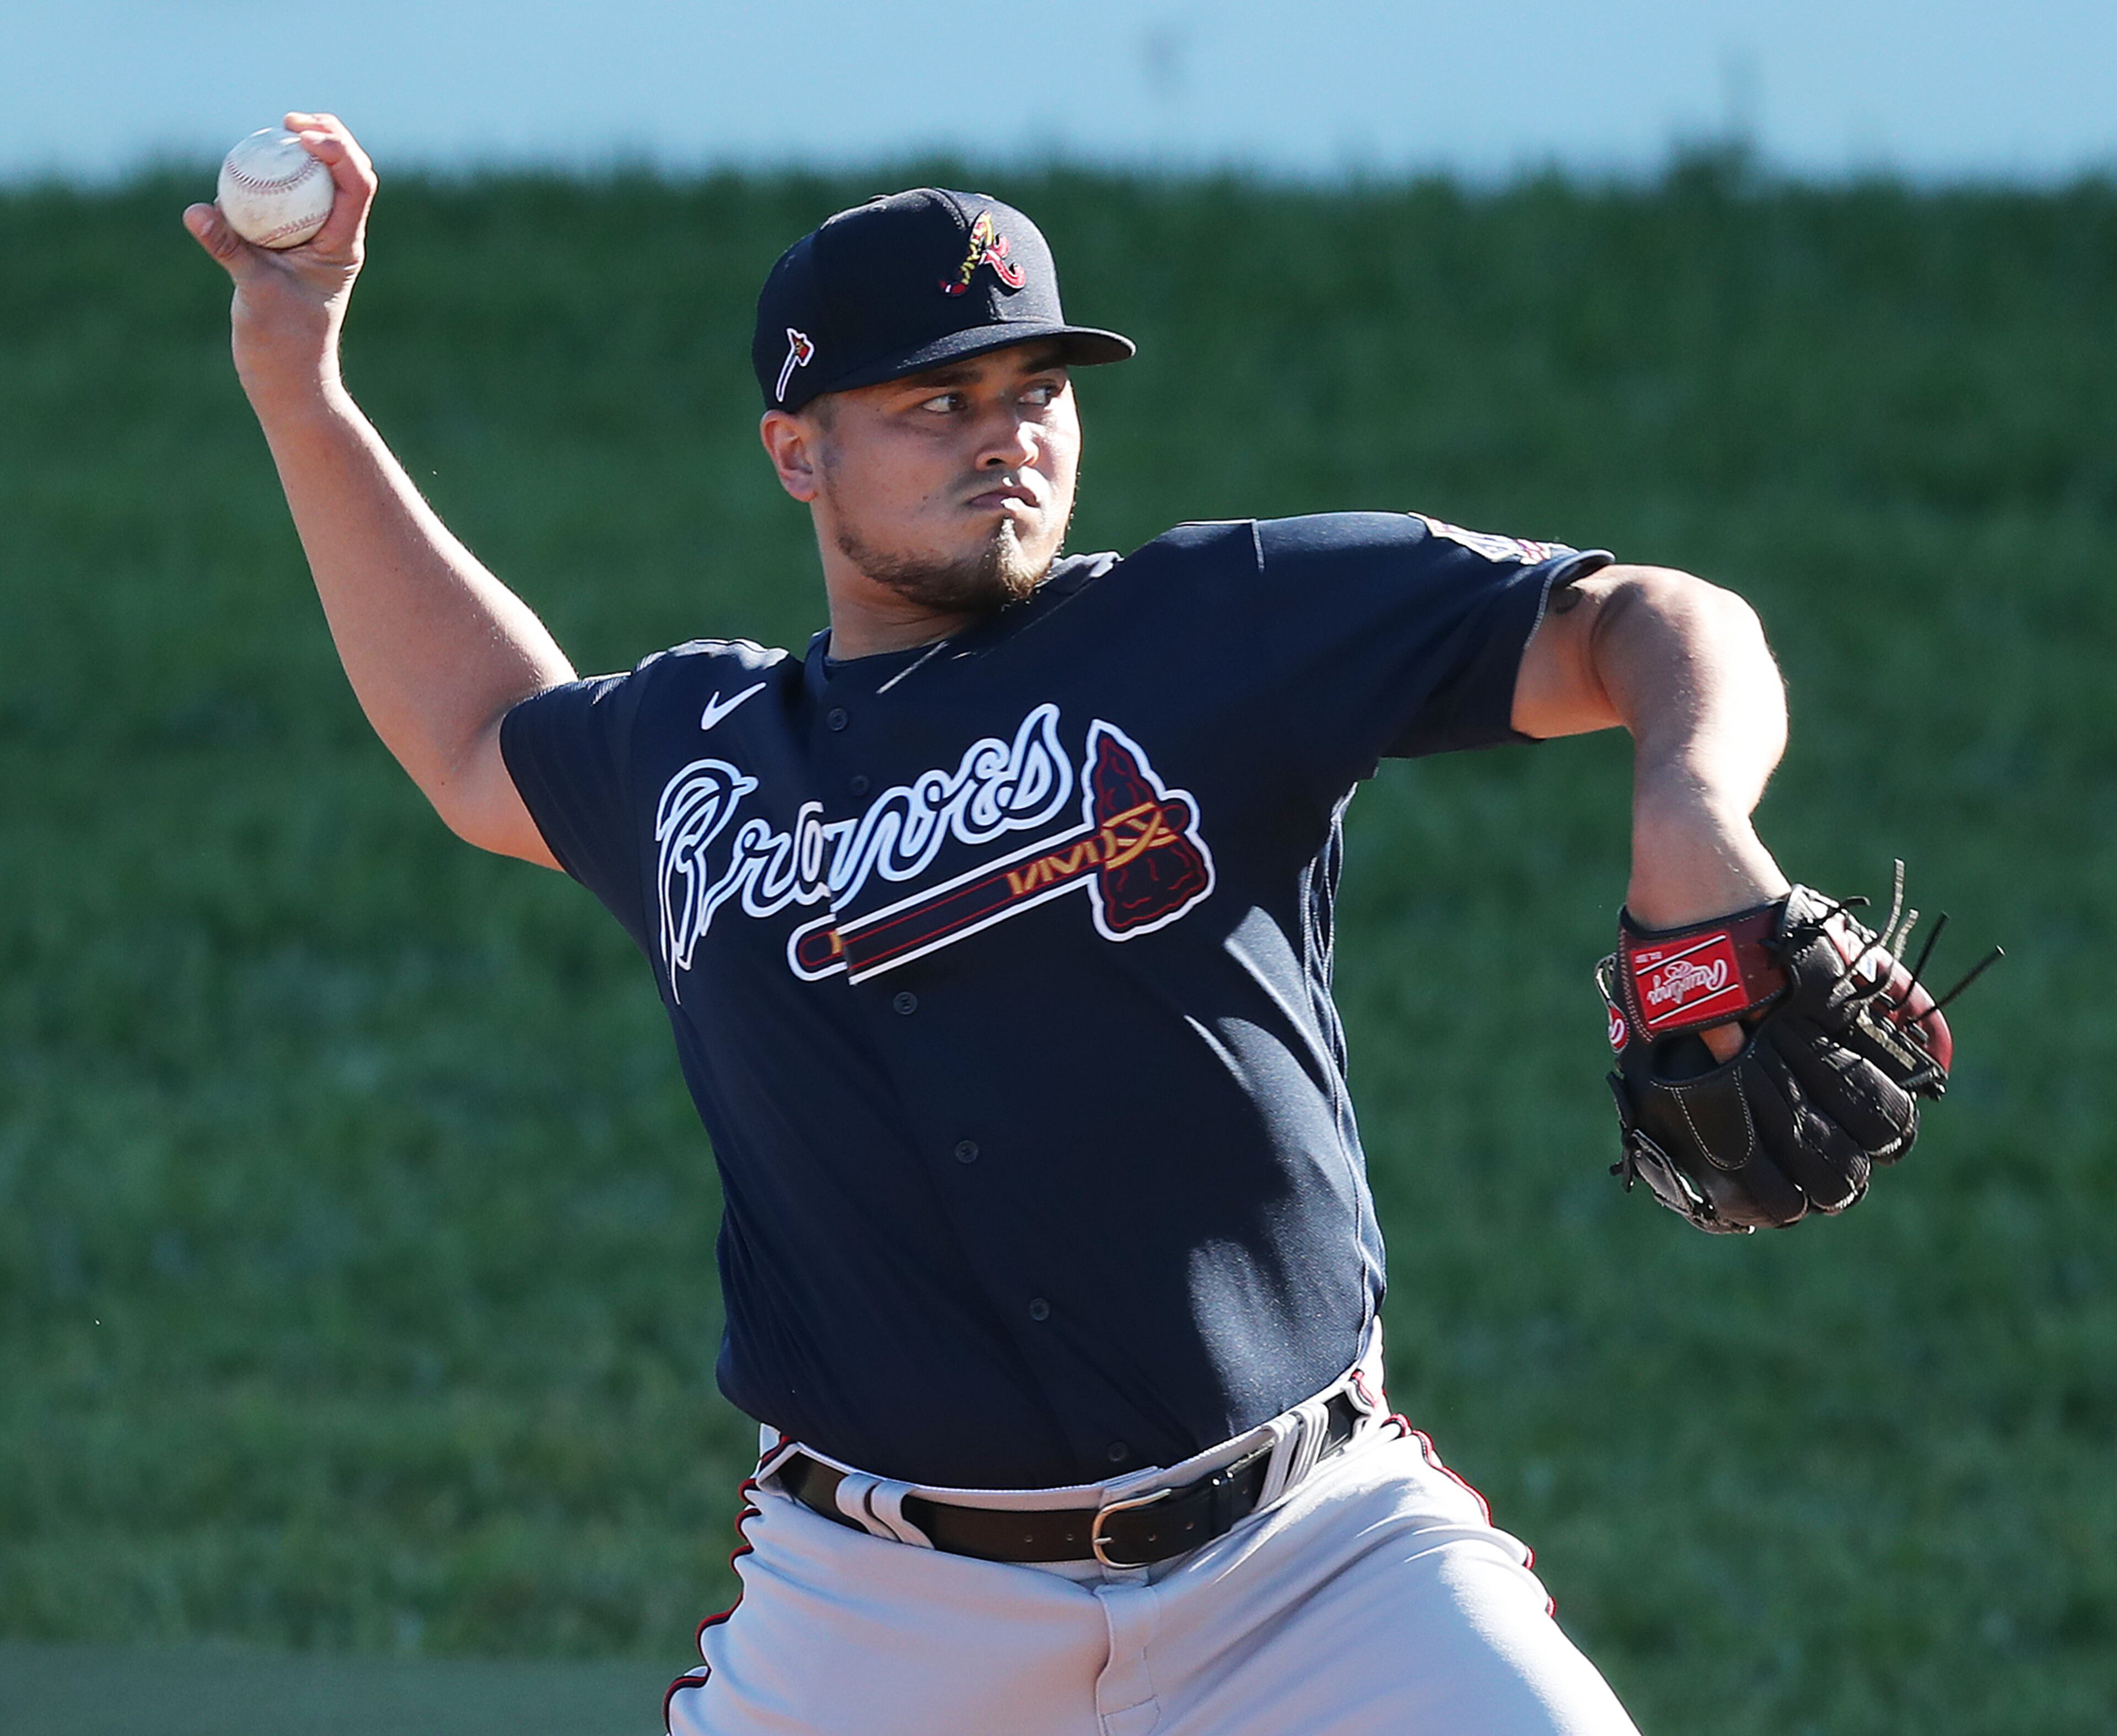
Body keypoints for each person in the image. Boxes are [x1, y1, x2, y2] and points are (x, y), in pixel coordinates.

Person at [187, 115, 1797, 1736]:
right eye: (934, 401)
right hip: (880, 1616)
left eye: (1036, 391)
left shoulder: (1220, 628)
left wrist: (1692, 808)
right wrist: (297, 378)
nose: (1004, 436)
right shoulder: (698, 762)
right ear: (795, 449)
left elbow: (1651, 623)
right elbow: (477, 744)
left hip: (1307, 1565)